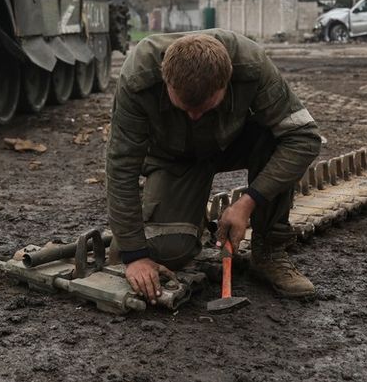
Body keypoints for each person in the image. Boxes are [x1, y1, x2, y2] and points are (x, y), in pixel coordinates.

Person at [105, 29, 322, 301]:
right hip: (174, 158)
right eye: (184, 108)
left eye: (205, 108)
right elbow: (121, 166)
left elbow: (305, 137)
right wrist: (134, 254)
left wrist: (248, 202)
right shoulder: (137, 77)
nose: (195, 117)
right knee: (168, 251)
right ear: (165, 80)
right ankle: (194, 226)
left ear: (227, 82)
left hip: (233, 144)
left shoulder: (252, 64)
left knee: (280, 139)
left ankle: (269, 252)